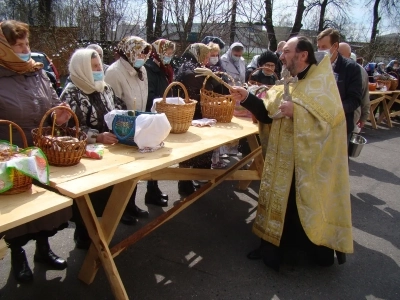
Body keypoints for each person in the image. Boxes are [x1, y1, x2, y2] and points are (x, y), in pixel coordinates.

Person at [230, 36, 353, 271]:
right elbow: (268, 115)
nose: (281, 56)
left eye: (286, 51)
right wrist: (246, 98)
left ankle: (306, 248)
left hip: (308, 165)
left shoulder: (321, 84)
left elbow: (332, 122)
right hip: (281, 162)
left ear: (303, 55)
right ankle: (272, 246)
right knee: (281, 205)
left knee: (301, 206)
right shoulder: (288, 81)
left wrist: (299, 113)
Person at [0, 20, 71, 282]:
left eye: (27, 44)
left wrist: (60, 116)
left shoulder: (38, 72)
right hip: (10, 157)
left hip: (41, 152)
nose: (25, 49)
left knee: (44, 207)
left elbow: (52, 105)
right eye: (18, 45)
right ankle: (18, 257)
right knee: (16, 211)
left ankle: (44, 250)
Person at [59, 48, 129, 248]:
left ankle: (102, 228)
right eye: (93, 67)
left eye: (99, 66)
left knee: (105, 192)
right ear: (81, 68)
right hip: (84, 154)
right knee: (87, 196)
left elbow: (114, 111)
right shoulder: (71, 92)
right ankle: (83, 233)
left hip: (107, 151)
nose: (99, 70)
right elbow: (68, 128)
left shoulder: (104, 87)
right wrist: (96, 136)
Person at [105, 36, 169, 224]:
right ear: (128, 51)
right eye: (139, 52)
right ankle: (121, 208)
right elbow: (113, 102)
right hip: (123, 126)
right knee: (122, 171)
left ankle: (131, 204)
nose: (142, 56)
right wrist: (126, 120)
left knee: (134, 169)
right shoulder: (114, 71)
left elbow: (143, 97)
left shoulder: (141, 70)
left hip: (138, 124)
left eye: (145, 52)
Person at [174, 43, 219, 194]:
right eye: (206, 57)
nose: (207, 60)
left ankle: (190, 182)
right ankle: (188, 183)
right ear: (197, 55)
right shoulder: (191, 71)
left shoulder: (188, 66)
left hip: (189, 113)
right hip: (193, 115)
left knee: (191, 151)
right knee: (191, 151)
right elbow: (204, 89)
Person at [317, 28, 362, 140]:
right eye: (318, 47)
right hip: (318, 126)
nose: (320, 50)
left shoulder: (351, 68)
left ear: (335, 46)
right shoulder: (315, 66)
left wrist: (333, 109)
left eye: (324, 47)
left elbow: (355, 100)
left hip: (340, 127)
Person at [338, 42, 370, 133]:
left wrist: (364, 117)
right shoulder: (332, 67)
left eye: (341, 54)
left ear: (349, 55)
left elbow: (364, 95)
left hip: (351, 115)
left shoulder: (358, 71)